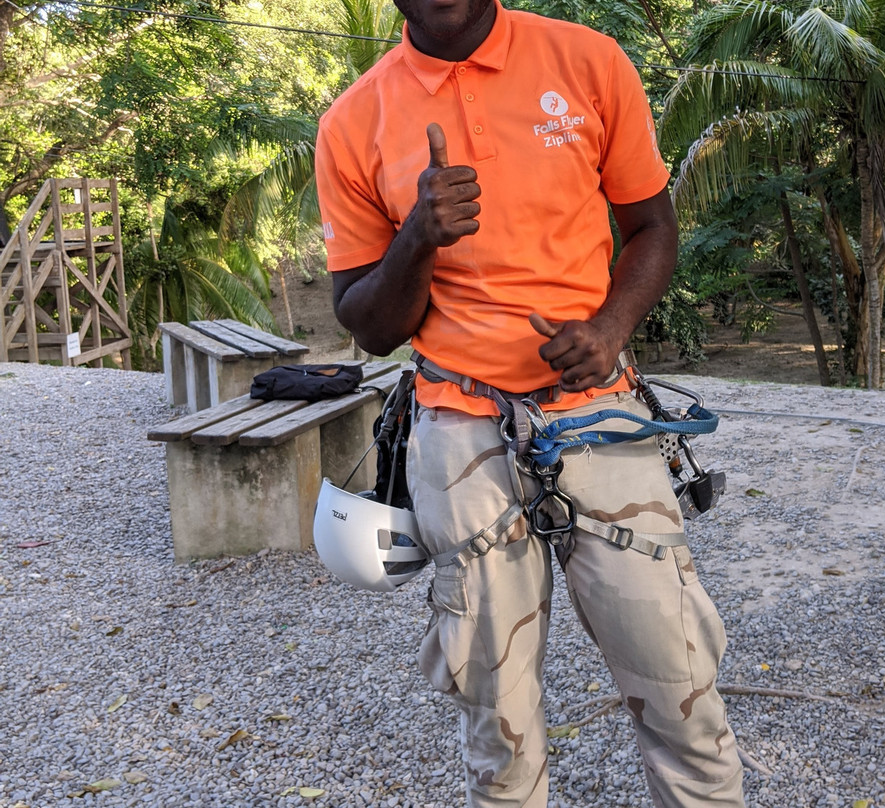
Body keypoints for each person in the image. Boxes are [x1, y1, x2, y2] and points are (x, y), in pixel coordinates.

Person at [314, 1, 746, 805]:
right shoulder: (352, 120)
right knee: (498, 722)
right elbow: (367, 324)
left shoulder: (587, 62)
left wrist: (611, 328)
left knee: (681, 690)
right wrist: (417, 235)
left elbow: (652, 225)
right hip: (457, 431)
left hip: (598, 414)